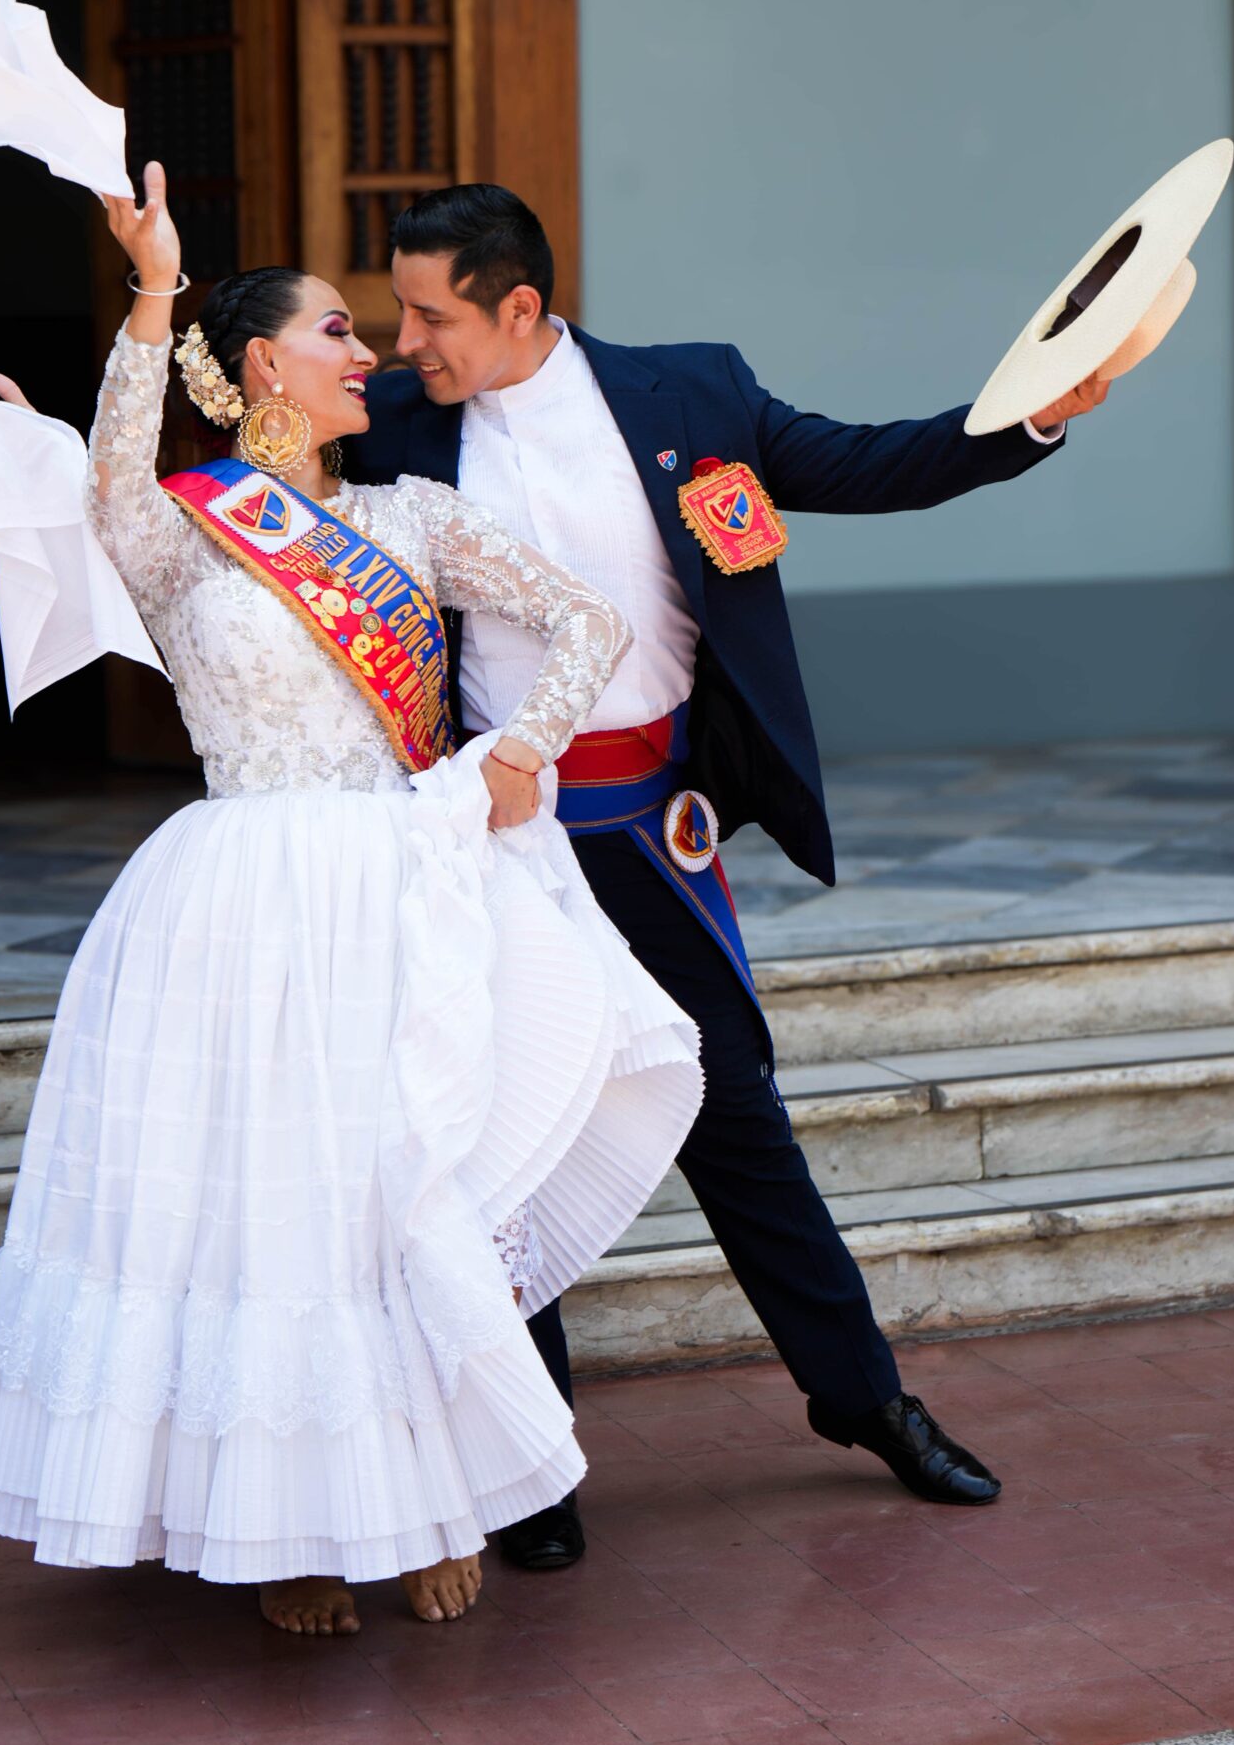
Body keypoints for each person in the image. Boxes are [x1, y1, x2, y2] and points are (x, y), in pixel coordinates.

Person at [0, 164, 702, 1635]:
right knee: (267, 1208)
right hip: (239, 901)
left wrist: (523, 753)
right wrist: (152, 284)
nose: (375, 357)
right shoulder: (184, 527)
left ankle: (417, 1502)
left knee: (394, 1197)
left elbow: (590, 618)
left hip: (399, 886)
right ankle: (284, 1533)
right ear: (261, 371)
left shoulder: (415, 517)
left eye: (373, 335)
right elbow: (109, 492)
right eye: (341, 334)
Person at [345, 182, 1111, 1570]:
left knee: (739, 1122)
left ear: (520, 306)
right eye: (398, 312)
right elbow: (262, 500)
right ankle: (535, 1463)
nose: (406, 341)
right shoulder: (396, 430)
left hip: (648, 827)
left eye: (430, 312)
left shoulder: (690, 392)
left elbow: (876, 464)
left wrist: (1040, 413)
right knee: (497, 1149)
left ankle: (866, 1397)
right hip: (492, 840)